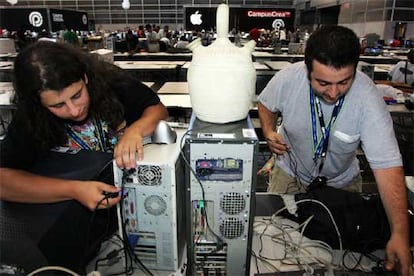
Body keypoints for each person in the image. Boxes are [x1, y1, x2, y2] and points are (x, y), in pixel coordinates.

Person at [258, 26, 411, 275]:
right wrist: (269, 131)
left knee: (340, 257)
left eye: (343, 82)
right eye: (323, 82)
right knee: (274, 248)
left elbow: (388, 167)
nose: (332, 92)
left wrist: (400, 235)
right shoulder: (288, 79)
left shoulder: (367, 99)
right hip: (289, 174)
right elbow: (265, 104)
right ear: (307, 71)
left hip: (341, 183)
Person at [0, 41, 168, 211]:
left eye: (77, 95)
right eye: (58, 106)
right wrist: (73, 190)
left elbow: (157, 110)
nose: (74, 111)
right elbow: (4, 181)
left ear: (85, 77)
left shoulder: (112, 81)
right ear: (38, 103)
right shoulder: (31, 117)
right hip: (72, 210)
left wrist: (135, 130)